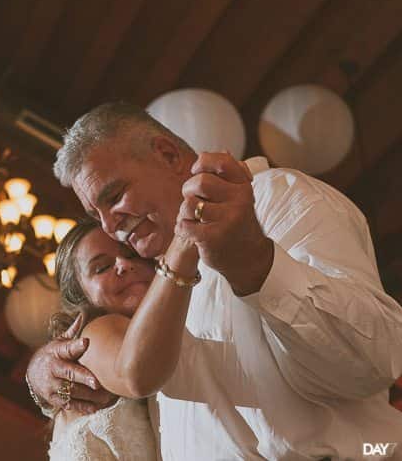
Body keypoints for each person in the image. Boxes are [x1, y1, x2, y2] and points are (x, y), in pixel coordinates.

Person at [26, 102, 402, 460]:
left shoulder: (275, 197)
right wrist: (40, 374)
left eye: (114, 196)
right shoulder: (158, 287)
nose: (110, 226)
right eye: (96, 213)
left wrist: (257, 265)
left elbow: (372, 362)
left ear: (169, 156)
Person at [47, 219, 199, 460]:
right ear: (80, 296)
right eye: (101, 268)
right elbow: (136, 375)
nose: (124, 264)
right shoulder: (94, 333)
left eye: (132, 254)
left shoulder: (171, 325)